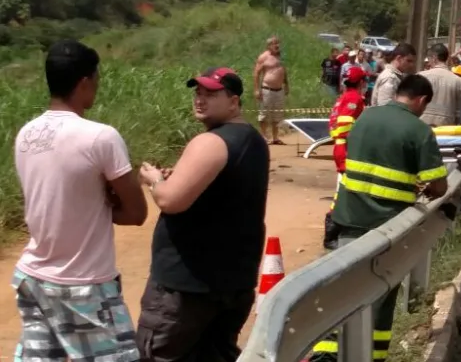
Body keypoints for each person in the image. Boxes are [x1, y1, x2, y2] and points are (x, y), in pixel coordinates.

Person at [12, 40, 149, 362]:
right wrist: (107, 199)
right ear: (85, 82)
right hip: (85, 283)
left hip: (34, 277)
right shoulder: (101, 137)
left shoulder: (27, 134)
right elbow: (137, 212)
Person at [307, 74, 449, 362]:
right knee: (381, 297)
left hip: (348, 220)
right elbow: (438, 186)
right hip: (387, 228)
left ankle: (327, 354)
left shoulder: (365, 119)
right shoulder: (418, 131)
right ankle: (373, 357)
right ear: (421, 100)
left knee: (341, 291)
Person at [135, 67, 270, 362]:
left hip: (186, 288)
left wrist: (155, 179)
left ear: (234, 101)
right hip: (232, 285)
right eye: (198, 92)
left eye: (211, 93)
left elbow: (170, 201)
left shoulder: (210, 142)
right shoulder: (253, 141)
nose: (200, 99)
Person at [322, 65, 367, 250]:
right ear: (361, 82)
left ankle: (337, 227)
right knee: (343, 188)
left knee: (344, 186)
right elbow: (344, 124)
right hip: (347, 149)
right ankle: (332, 231)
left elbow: (334, 124)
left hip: (341, 147)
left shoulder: (343, 98)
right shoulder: (353, 98)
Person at [417, 44, 461, 127]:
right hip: (446, 131)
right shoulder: (458, 81)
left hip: (421, 127)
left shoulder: (420, 77)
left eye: (429, 58)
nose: (429, 62)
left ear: (434, 58)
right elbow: (459, 113)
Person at [253, 36, 289, 145]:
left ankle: (275, 137)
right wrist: (256, 89)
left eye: (278, 43)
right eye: (274, 43)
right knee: (264, 114)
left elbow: (283, 71)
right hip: (267, 90)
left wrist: (286, 84)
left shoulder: (280, 57)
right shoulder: (263, 57)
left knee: (277, 114)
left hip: (279, 90)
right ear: (269, 46)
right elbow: (256, 73)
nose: (277, 45)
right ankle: (264, 136)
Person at [371, 43, 417, 107]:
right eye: (408, 61)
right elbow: (385, 107)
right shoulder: (390, 78)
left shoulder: (397, 77)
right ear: (399, 58)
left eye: (413, 62)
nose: (411, 65)